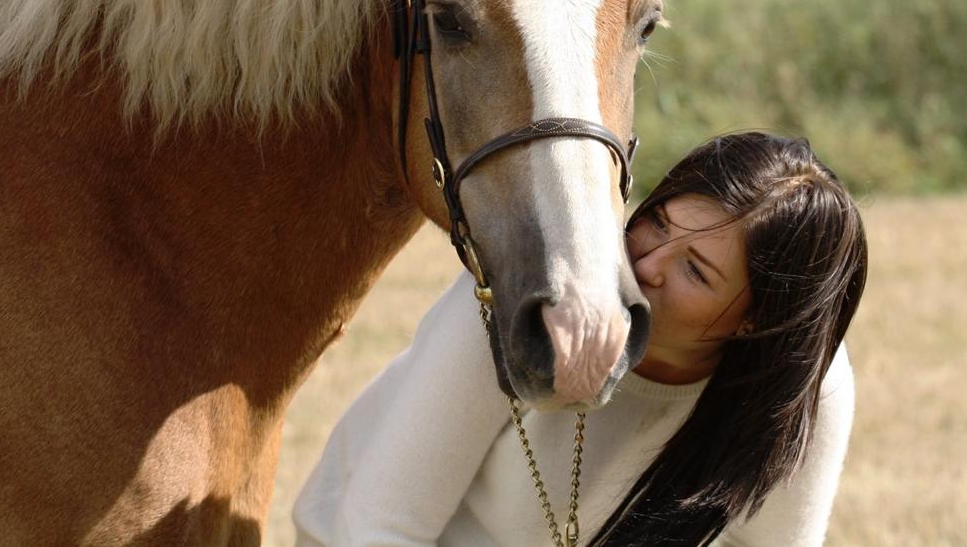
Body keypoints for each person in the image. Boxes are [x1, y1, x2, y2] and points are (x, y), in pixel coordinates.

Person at [293, 132, 868, 546]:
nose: (646, 263)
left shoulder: (805, 388)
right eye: (658, 222)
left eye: (696, 270)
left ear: (758, 321)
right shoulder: (528, 286)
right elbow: (378, 527)